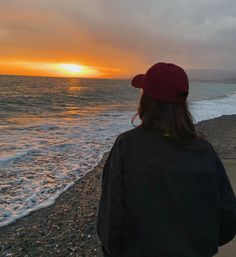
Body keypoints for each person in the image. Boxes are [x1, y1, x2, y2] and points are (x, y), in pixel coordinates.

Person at [96, 62, 236, 257]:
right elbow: (228, 220)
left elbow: (111, 222)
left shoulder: (127, 146)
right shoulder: (204, 150)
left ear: (147, 101)